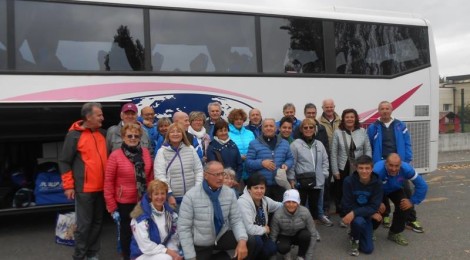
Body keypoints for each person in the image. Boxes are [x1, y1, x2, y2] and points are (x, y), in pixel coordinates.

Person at [58, 102, 107, 260]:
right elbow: (64, 161)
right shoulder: (74, 135)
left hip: (102, 188)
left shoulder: (103, 134)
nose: (102, 118)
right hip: (84, 189)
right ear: (88, 116)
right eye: (99, 115)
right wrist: (68, 186)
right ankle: (79, 256)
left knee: (98, 223)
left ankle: (92, 253)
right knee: (84, 225)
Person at [177, 161, 248, 260]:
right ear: (205, 175)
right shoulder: (191, 196)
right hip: (201, 242)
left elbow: (236, 220)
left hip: (220, 236)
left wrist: (242, 241)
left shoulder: (229, 193)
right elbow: (184, 228)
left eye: (222, 174)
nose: (220, 178)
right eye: (216, 175)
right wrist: (190, 256)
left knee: (250, 241)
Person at [366, 101, 419, 231]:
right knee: (382, 191)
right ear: (378, 111)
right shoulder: (373, 127)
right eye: (382, 109)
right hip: (381, 164)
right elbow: (369, 146)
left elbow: (407, 144)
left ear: (392, 110)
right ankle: (385, 215)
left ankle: (411, 219)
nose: (385, 111)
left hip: (398, 165)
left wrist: (406, 161)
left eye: (387, 108)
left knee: (405, 190)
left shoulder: (400, 125)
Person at [104, 123, 153, 260]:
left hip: (143, 200)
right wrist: (111, 205)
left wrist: (151, 197)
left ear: (140, 137)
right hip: (124, 202)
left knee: (143, 232)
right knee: (127, 233)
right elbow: (108, 182)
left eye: (136, 136)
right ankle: (128, 257)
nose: (133, 138)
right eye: (129, 136)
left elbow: (150, 176)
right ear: (123, 137)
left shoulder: (145, 153)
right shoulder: (115, 155)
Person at [373, 153, 428, 246]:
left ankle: (394, 232)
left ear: (401, 164)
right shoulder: (377, 171)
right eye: (391, 165)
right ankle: (369, 230)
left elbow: (422, 185)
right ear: (386, 163)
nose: (393, 169)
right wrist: (376, 203)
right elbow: (368, 189)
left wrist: (412, 201)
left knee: (405, 207)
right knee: (379, 209)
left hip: (395, 188)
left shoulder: (407, 169)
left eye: (396, 166)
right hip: (378, 190)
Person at [288, 118, 332, 227]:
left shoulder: (319, 144)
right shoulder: (295, 144)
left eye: (311, 127)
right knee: (303, 205)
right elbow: (292, 163)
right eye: (305, 127)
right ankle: (304, 226)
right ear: (301, 129)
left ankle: (314, 227)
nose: (308, 129)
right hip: (303, 181)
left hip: (318, 180)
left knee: (315, 205)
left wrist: (324, 173)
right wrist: (292, 179)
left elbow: (325, 160)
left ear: (315, 129)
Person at [331, 108, 372, 220]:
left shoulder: (362, 131)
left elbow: (367, 149)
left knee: (357, 188)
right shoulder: (338, 132)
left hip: (359, 166)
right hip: (343, 166)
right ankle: (344, 214)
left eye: (352, 117)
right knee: (343, 191)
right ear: (343, 119)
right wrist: (335, 171)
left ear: (355, 118)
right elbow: (333, 153)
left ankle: (357, 211)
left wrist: (367, 165)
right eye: (347, 117)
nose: (349, 119)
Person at [341, 155, 383, 257]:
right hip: (357, 215)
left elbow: (374, 206)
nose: (364, 171)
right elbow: (346, 205)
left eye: (367, 168)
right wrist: (356, 213)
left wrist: (356, 213)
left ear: (372, 168)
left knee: (368, 249)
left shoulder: (377, 183)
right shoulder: (348, 181)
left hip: (362, 213)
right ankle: (354, 239)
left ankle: (366, 231)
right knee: (358, 221)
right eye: (361, 168)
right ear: (356, 168)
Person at [130, 180, 183, 260]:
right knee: (167, 258)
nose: (160, 197)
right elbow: (145, 246)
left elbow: (174, 235)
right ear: (150, 196)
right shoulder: (141, 216)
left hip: (159, 250)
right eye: (156, 194)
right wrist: (167, 251)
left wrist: (175, 252)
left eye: (162, 193)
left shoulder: (170, 213)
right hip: (142, 254)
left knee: (176, 254)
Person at [154, 123, 203, 208]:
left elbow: (198, 170)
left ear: (183, 134)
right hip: (173, 199)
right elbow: (160, 175)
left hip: (192, 197)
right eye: (172, 132)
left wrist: (197, 190)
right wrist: (169, 194)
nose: (175, 134)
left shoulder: (190, 149)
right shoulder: (161, 152)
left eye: (178, 131)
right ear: (168, 135)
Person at [246, 118, 294, 202]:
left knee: (278, 211)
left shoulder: (284, 143)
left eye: (271, 126)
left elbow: (290, 158)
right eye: (266, 126)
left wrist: (287, 165)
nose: (269, 128)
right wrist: (261, 163)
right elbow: (248, 162)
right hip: (261, 186)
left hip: (279, 184)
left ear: (276, 128)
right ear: (262, 128)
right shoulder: (254, 144)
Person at [237, 174, 282, 260]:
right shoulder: (243, 202)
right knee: (257, 242)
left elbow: (279, 205)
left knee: (272, 249)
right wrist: (265, 229)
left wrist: (292, 202)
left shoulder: (265, 200)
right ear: (249, 189)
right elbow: (248, 229)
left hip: (260, 234)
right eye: (256, 188)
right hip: (245, 236)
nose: (259, 191)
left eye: (262, 188)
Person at [270, 189, 317, 260]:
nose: (291, 205)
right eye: (288, 202)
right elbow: (273, 235)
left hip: (299, 235)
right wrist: (273, 257)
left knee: (306, 235)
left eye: (294, 202)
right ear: (284, 202)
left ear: (298, 202)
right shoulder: (277, 214)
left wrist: (308, 256)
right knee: (283, 247)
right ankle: (287, 255)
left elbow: (313, 234)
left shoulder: (305, 212)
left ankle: (301, 255)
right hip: (284, 236)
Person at [206, 120, 243, 184]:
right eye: (220, 131)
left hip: (234, 181)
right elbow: (214, 169)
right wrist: (224, 181)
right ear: (216, 133)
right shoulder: (212, 147)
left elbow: (239, 164)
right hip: (220, 182)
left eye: (225, 130)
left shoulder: (233, 144)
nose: (223, 133)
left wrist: (236, 180)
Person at [227, 109, 255, 182]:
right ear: (232, 120)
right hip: (234, 170)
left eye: (241, 119)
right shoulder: (227, 134)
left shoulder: (250, 133)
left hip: (249, 169)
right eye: (236, 119)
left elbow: (255, 149)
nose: (239, 121)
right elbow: (226, 151)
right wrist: (239, 157)